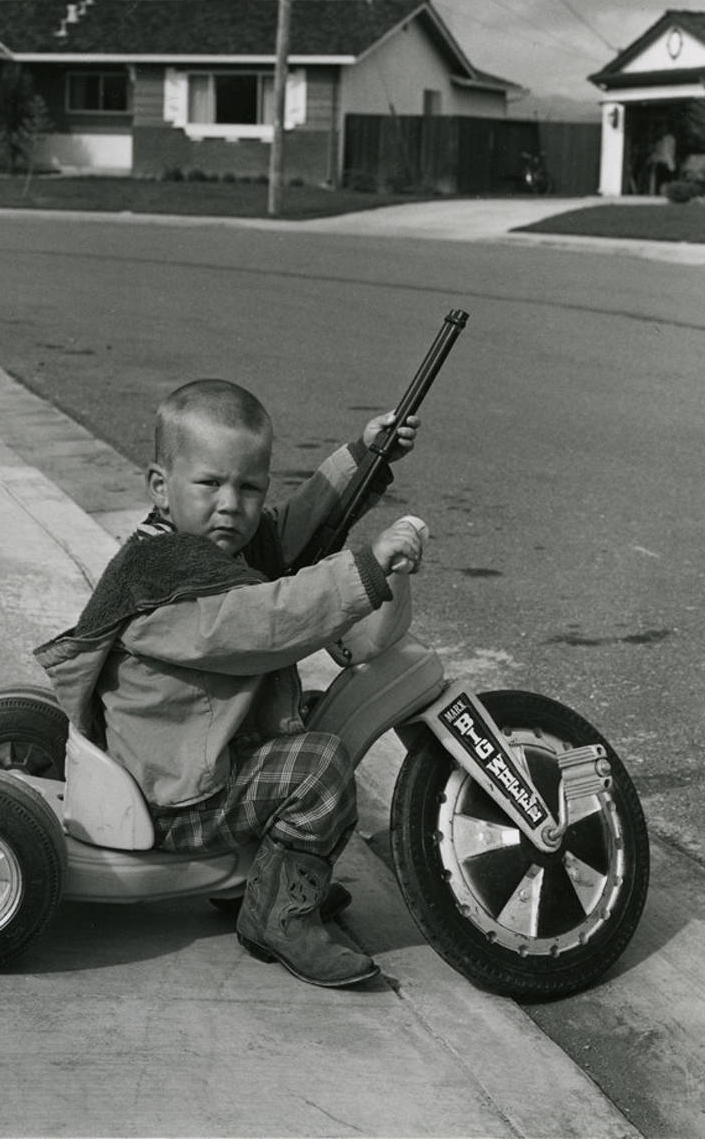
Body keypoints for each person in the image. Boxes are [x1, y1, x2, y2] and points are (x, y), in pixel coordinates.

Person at [35, 379, 424, 988]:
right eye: (210, 484)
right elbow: (269, 621)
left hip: (194, 756)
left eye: (248, 487)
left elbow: (290, 531)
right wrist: (365, 570)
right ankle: (276, 914)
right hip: (174, 795)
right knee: (320, 764)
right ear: (161, 487)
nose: (231, 504)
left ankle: (265, 876)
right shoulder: (166, 586)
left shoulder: (196, 547)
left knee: (314, 717)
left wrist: (363, 458)